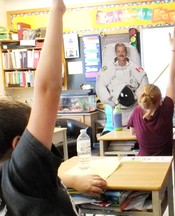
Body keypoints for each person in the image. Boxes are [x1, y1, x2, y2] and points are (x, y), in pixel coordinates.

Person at [0, 1, 107, 215]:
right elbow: (48, 90)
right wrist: (57, 12)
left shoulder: (11, 174)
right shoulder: (22, 169)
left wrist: (75, 179)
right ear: (19, 144)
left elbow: (48, 176)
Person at [127, 27, 175, 156]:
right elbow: (172, 78)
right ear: (160, 101)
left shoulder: (136, 111)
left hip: (143, 162)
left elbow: (132, 132)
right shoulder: (166, 111)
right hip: (165, 162)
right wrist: (174, 49)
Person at [96, 42, 149, 126]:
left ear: (126, 52)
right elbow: (100, 84)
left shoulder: (134, 67)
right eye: (119, 51)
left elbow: (144, 80)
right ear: (116, 53)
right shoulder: (108, 68)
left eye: (123, 51)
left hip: (133, 108)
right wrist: (109, 100)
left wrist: (137, 95)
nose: (121, 54)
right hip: (117, 109)